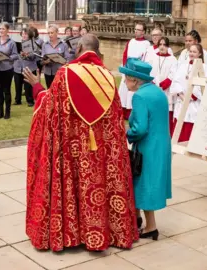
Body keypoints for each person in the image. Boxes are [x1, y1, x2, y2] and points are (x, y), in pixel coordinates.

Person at [22, 34, 139, 252]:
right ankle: (106, 231)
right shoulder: (108, 76)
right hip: (100, 152)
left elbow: (49, 107)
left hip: (71, 149)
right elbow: (115, 120)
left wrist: (37, 87)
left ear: (78, 48)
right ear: (97, 50)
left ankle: (70, 234)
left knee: (71, 183)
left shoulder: (65, 73)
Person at [120, 58, 172, 239]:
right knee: (145, 185)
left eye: (126, 78)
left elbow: (140, 128)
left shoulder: (140, 96)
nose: (124, 82)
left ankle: (147, 225)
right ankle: (144, 222)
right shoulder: (157, 91)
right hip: (161, 145)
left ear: (134, 80)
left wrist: (125, 135)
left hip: (147, 147)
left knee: (142, 184)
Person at [171, 44, 207, 142]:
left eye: (194, 52)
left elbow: (204, 84)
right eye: (190, 51)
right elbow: (176, 81)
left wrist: (191, 96)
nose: (192, 54)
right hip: (181, 101)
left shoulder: (204, 67)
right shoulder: (183, 66)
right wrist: (181, 94)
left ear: (199, 54)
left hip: (194, 103)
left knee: (190, 129)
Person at [118, 23, 151, 120]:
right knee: (124, 90)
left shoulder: (146, 44)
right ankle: (123, 112)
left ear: (143, 32)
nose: (136, 31)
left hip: (137, 70)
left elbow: (145, 58)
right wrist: (125, 68)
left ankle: (133, 112)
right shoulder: (131, 41)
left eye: (139, 30)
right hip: (128, 69)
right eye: (135, 29)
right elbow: (125, 55)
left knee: (134, 90)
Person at [149, 37, 178, 135]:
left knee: (166, 113)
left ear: (168, 46)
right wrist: (154, 84)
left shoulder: (173, 59)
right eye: (160, 44)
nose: (162, 47)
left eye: (164, 45)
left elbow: (172, 74)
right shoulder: (153, 57)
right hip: (154, 88)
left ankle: (166, 134)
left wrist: (163, 85)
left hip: (166, 90)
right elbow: (149, 72)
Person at [0, 22, 18, 119]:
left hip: (7, 69)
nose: (1, 31)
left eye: (3, 29)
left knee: (6, 90)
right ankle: (0, 111)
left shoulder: (12, 42)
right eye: (0, 29)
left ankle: (7, 112)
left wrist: (6, 58)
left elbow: (15, 55)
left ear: (7, 30)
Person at [13, 28, 36, 106]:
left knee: (28, 85)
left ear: (29, 35)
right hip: (18, 67)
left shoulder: (33, 44)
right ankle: (17, 100)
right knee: (17, 84)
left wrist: (28, 55)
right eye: (22, 34)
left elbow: (34, 56)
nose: (23, 35)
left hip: (29, 67)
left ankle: (30, 101)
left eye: (25, 34)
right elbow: (14, 54)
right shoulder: (18, 44)